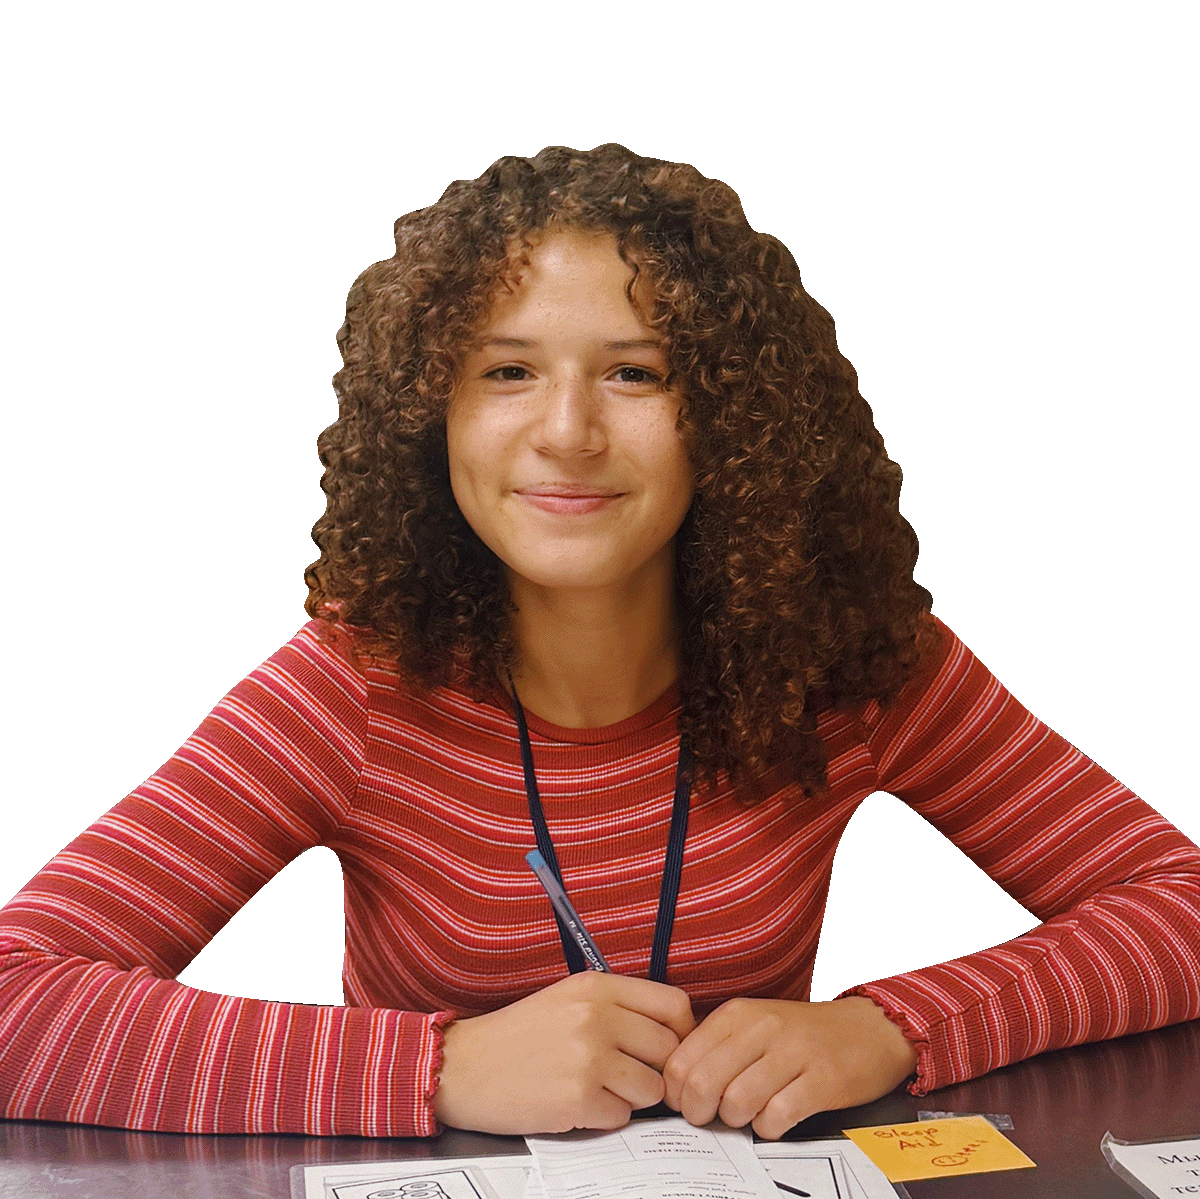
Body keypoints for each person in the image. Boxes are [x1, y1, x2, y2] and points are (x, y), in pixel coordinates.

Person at [1, 144, 1197, 1142]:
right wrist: (441, 1069)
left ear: (728, 418)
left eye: (635, 372)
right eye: (508, 370)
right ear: (433, 415)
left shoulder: (848, 665)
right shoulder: (352, 689)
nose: (566, 432)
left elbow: (1178, 901)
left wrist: (887, 1023)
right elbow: (17, 1000)